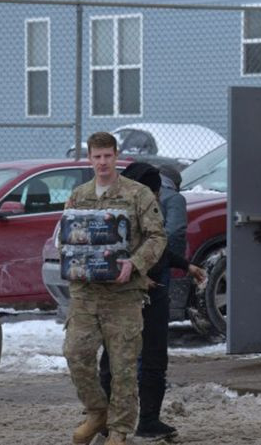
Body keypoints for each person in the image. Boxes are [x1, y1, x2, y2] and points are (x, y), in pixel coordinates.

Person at [62, 133, 167, 445]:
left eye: (108, 156)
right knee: (76, 354)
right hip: (86, 293)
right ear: (89, 158)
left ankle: (119, 431)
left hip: (123, 295)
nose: (103, 162)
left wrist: (134, 264)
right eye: (97, 157)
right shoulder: (79, 195)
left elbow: (157, 237)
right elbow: (66, 236)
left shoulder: (137, 194)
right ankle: (97, 412)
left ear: (116, 156)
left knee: (123, 367)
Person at [99, 162, 206, 440]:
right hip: (134, 296)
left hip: (136, 295)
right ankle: (132, 421)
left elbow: (158, 249)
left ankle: (123, 421)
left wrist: (186, 265)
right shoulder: (123, 216)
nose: (158, 198)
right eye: (156, 192)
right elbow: (111, 256)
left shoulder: (124, 210)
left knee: (125, 356)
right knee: (136, 359)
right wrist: (140, 276)